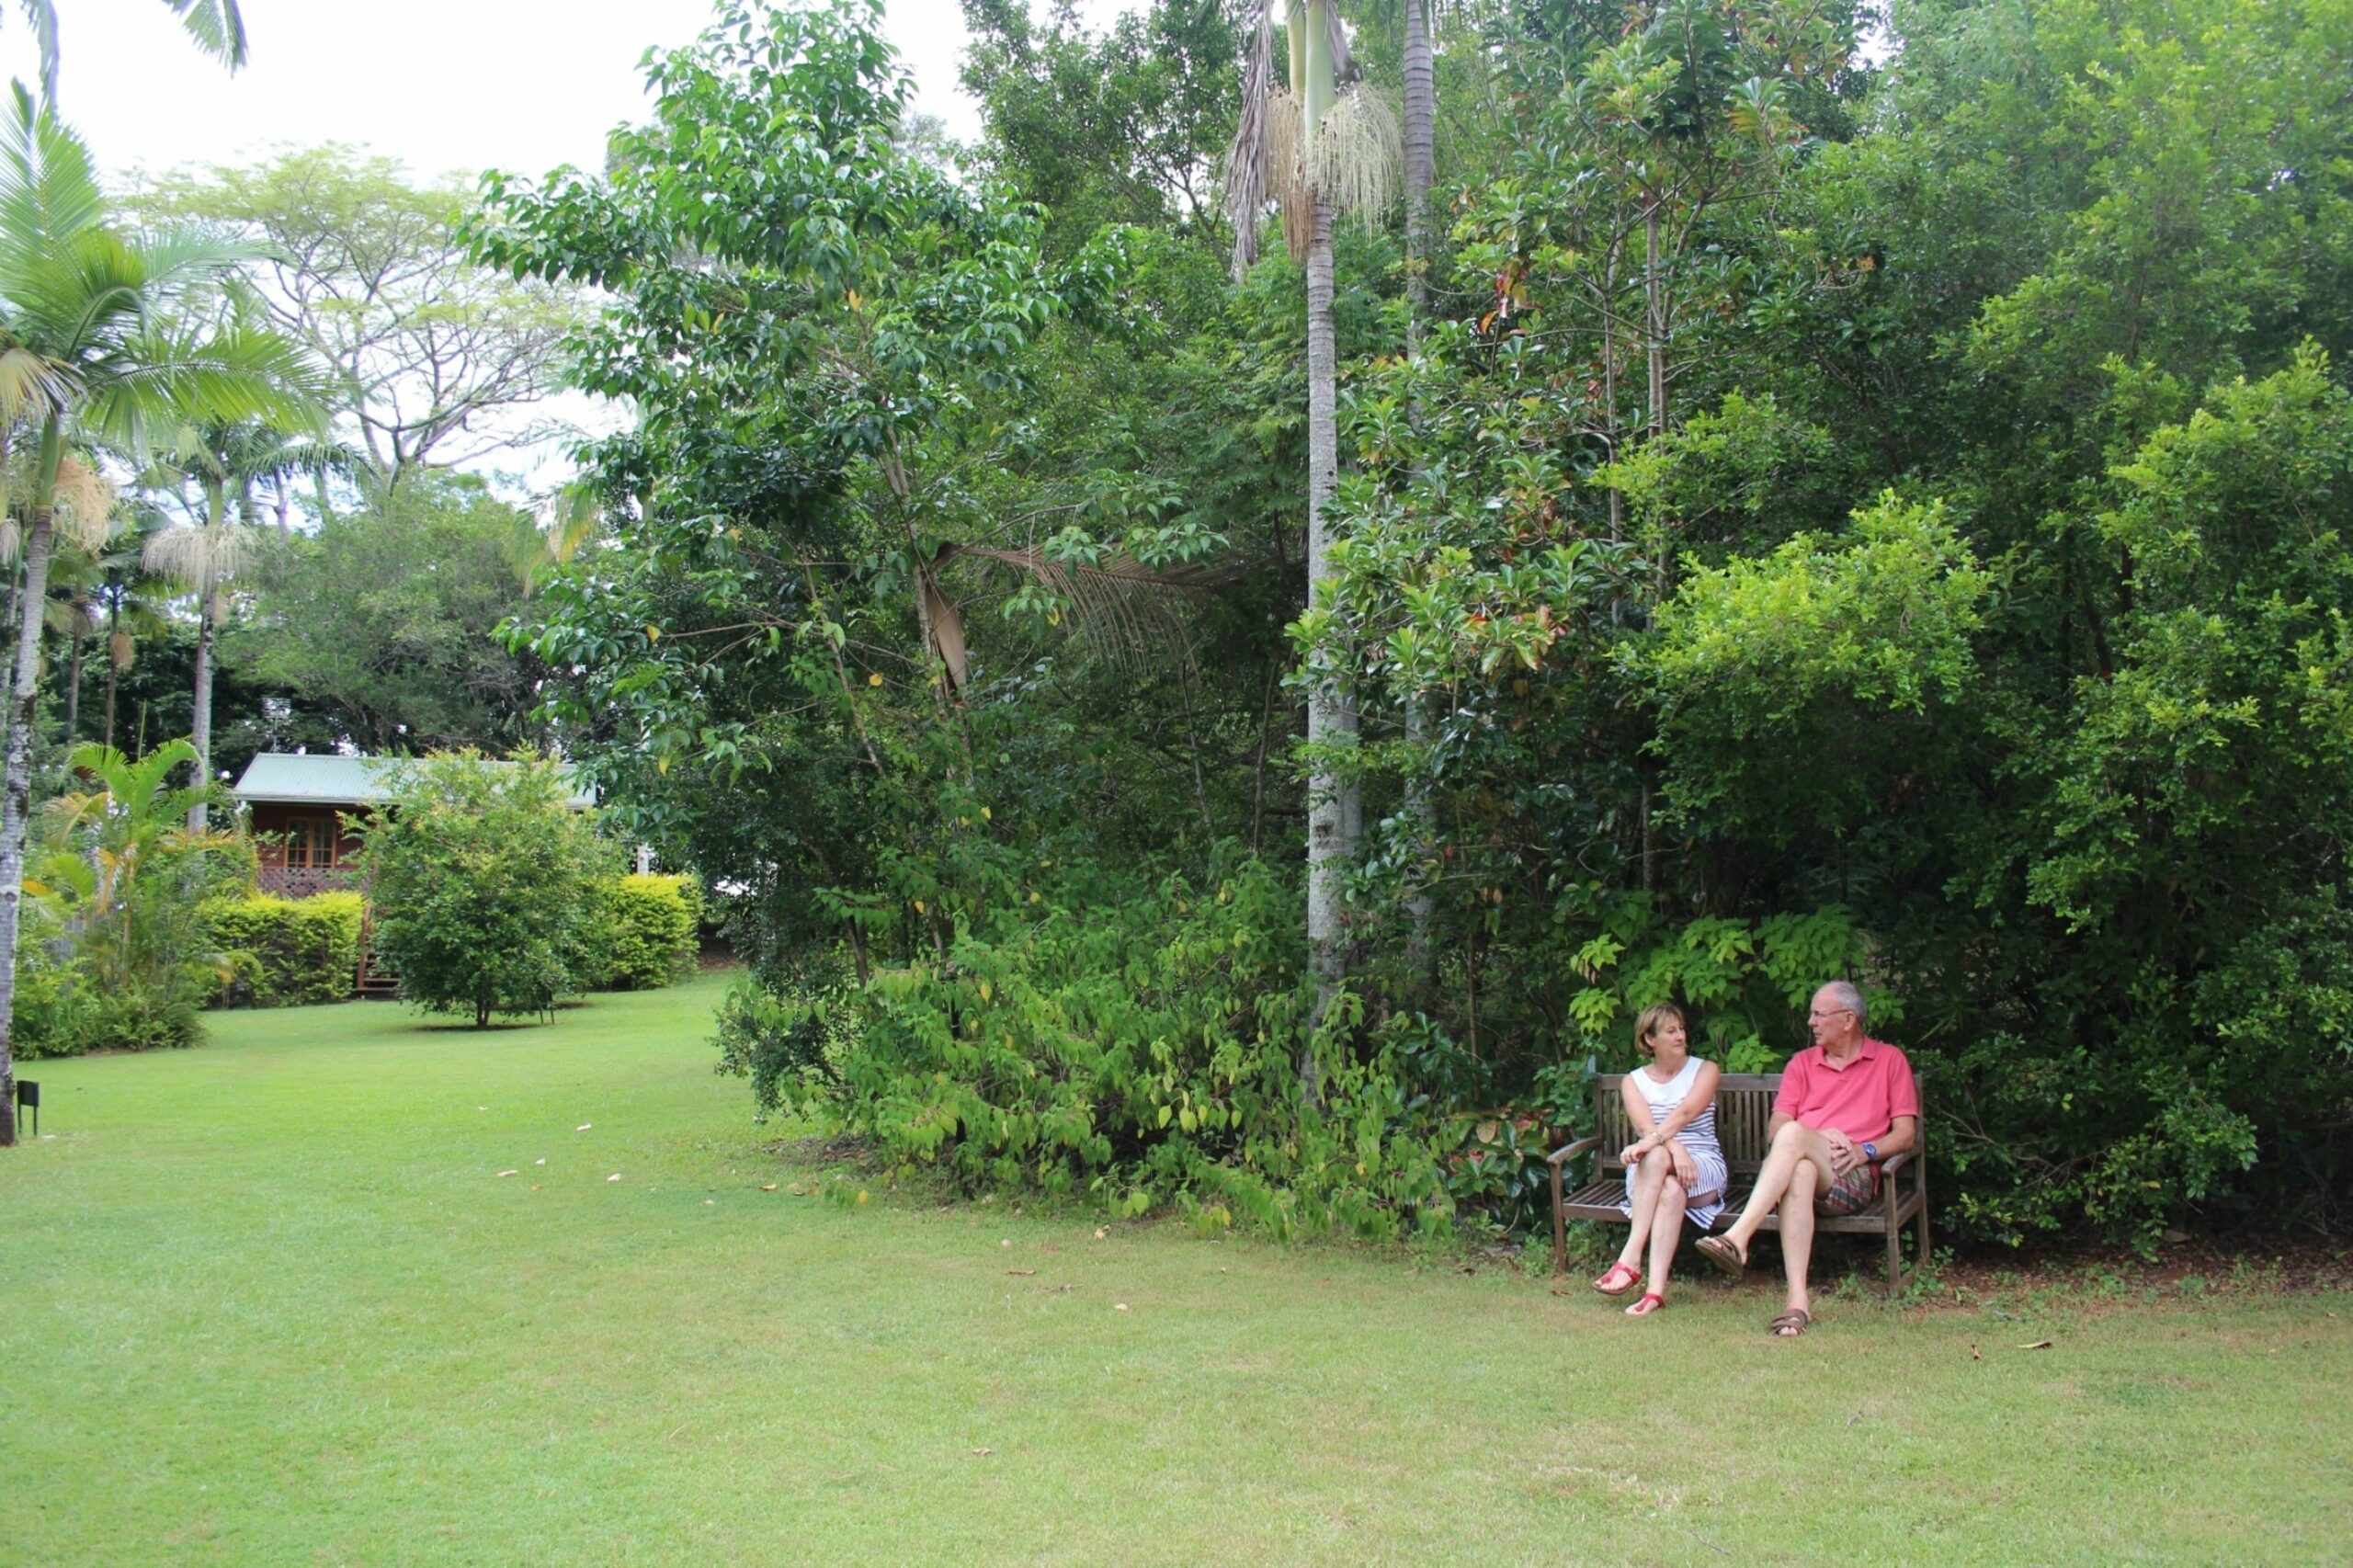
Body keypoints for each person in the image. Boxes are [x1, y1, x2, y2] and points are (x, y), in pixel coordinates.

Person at [1695, 981, 1919, 1335]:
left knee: (1796, 1137)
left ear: (1848, 1020)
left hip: (1852, 1173)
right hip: (1803, 1168)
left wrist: (1864, 1150)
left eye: (1819, 1014)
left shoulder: (1889, 1060)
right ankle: (1797, 1303)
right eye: (1812, 1014)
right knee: (1799, 1166)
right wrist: (1813, 1137)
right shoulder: (1802, 1064)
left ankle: (1738, 1237)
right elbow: (1777, 1128)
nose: (1811, 1021)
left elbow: (1905, 1133)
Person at [1590, 1002, 1727, 1316]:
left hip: (1700, 1165)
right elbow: (1645, 1128)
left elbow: (1686, 1113)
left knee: (1654, 1156)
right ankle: (1654, 1292)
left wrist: (1669, 1146)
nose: (1681, 1036)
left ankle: (1630, 1256)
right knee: (1668, 1187)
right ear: (1650, 1039)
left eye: (1681, 1029)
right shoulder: (1634, 1081)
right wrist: (1674, 1149)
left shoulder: (1705, 1070)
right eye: (1671, 1031)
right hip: (1653, 1166)